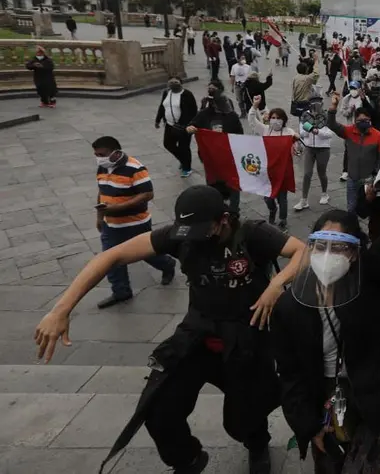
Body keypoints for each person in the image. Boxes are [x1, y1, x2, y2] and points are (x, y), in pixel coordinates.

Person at [34, 184, 307, 474]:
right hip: (197, 338)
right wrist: (61, 310)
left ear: (223, 220)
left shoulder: (252, 233)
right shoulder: (180, 236)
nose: (194, 239)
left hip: (246, 338)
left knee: (244, 418)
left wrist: (277, 285)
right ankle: (188, 459)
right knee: (159, 408)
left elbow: (303, 250)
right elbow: (110, 257)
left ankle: (256, 443)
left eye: (203, 230)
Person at [271, 203, 380, 474]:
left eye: (339, 247)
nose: (328, 255)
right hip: (322, 398)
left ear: (356, 254)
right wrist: (308, 425)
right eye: (321, 246)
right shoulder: (290, 307)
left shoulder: (372, 287)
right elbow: (289, 372)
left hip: (373, 394)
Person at [91, 135, 177, 308]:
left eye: (102, 154)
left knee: (147, 254)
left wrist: (118, 208)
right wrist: (100, 217)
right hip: (111, 225)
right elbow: (101, 191)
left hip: (135, 224)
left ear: (115, 153)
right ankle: (121, 292)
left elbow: (147, 194)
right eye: (96, 154)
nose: (99, 158)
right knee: (110, 259)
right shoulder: (102, 168)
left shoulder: (135, 168)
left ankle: (167, 264)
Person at [327, 97, 380, 214]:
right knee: (351, 209)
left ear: (370, 120)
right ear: (355, 121)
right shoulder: (349, 131)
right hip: (352, 179)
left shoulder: (378, 136)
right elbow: (331, 124)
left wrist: (377, 178)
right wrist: (333, 107)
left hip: (369, 180)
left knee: (370, 209)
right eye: (360, 121)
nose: (363, 123)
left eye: (366, 120)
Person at [248, 99, 298, 229]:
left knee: (282, 199)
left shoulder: (289, 132)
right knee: (268, 197)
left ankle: (283, 219)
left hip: (283, 170)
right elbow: (252, 120)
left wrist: (296, 140)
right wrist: (254, 106)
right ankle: (272, 209)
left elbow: (298, 150)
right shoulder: (265, 130)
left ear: (284, 120)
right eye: (273, 117)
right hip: (268, 170)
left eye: (278, 118)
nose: (275, 120)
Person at [296, 102, 335, 212]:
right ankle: (304, 200)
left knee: (321, 172)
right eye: (313, 102)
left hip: (323, 149)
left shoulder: (327, 116)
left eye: (318, 101)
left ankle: (324, 193)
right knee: (307, 173)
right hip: (309, 148)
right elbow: (302, 132)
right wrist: (309, 130)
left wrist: (318, 132)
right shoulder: (305, 115)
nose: (315, 105)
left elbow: (330, 133)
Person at [155, 78, 198, 178]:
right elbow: (162, 106)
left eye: (176, 82)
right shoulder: (166, 92)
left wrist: (189, 124)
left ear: (181, 83)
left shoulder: (187, 94)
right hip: (169, 125)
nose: (173, 84)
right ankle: (183, 159)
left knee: (184, 147)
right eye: (171, 82)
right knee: (168, 144)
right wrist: (158, 119)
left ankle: (187, 168)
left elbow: (193, 110)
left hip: (183, 126)